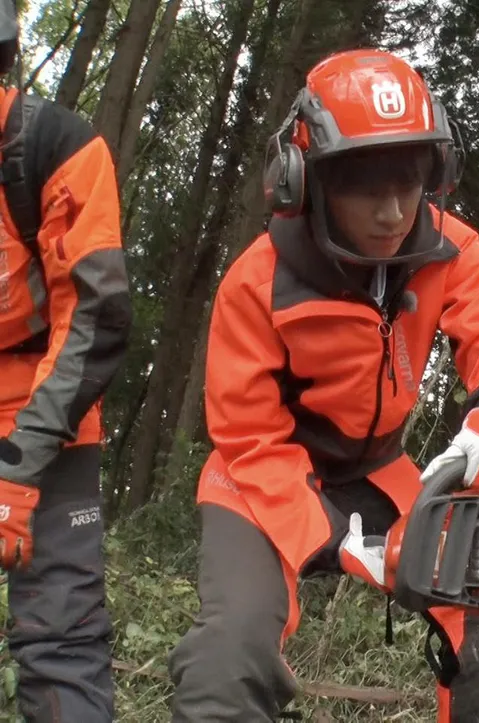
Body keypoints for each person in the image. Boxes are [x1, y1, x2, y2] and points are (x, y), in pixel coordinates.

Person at [166, 49, 479, 723]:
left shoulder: (454, 252)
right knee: (230, 648)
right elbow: (248, 436)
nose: (393, 211)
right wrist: (333, 537)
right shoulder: (258, 283)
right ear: (305, 179)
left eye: (408, 180)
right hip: (261, 476)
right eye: (365, 185)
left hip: (378, 467)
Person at [0, 2, 132, 720]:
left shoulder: (59, 147)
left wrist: (21, 466)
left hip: (49, 407)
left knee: (62, 642)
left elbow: (98, 314)